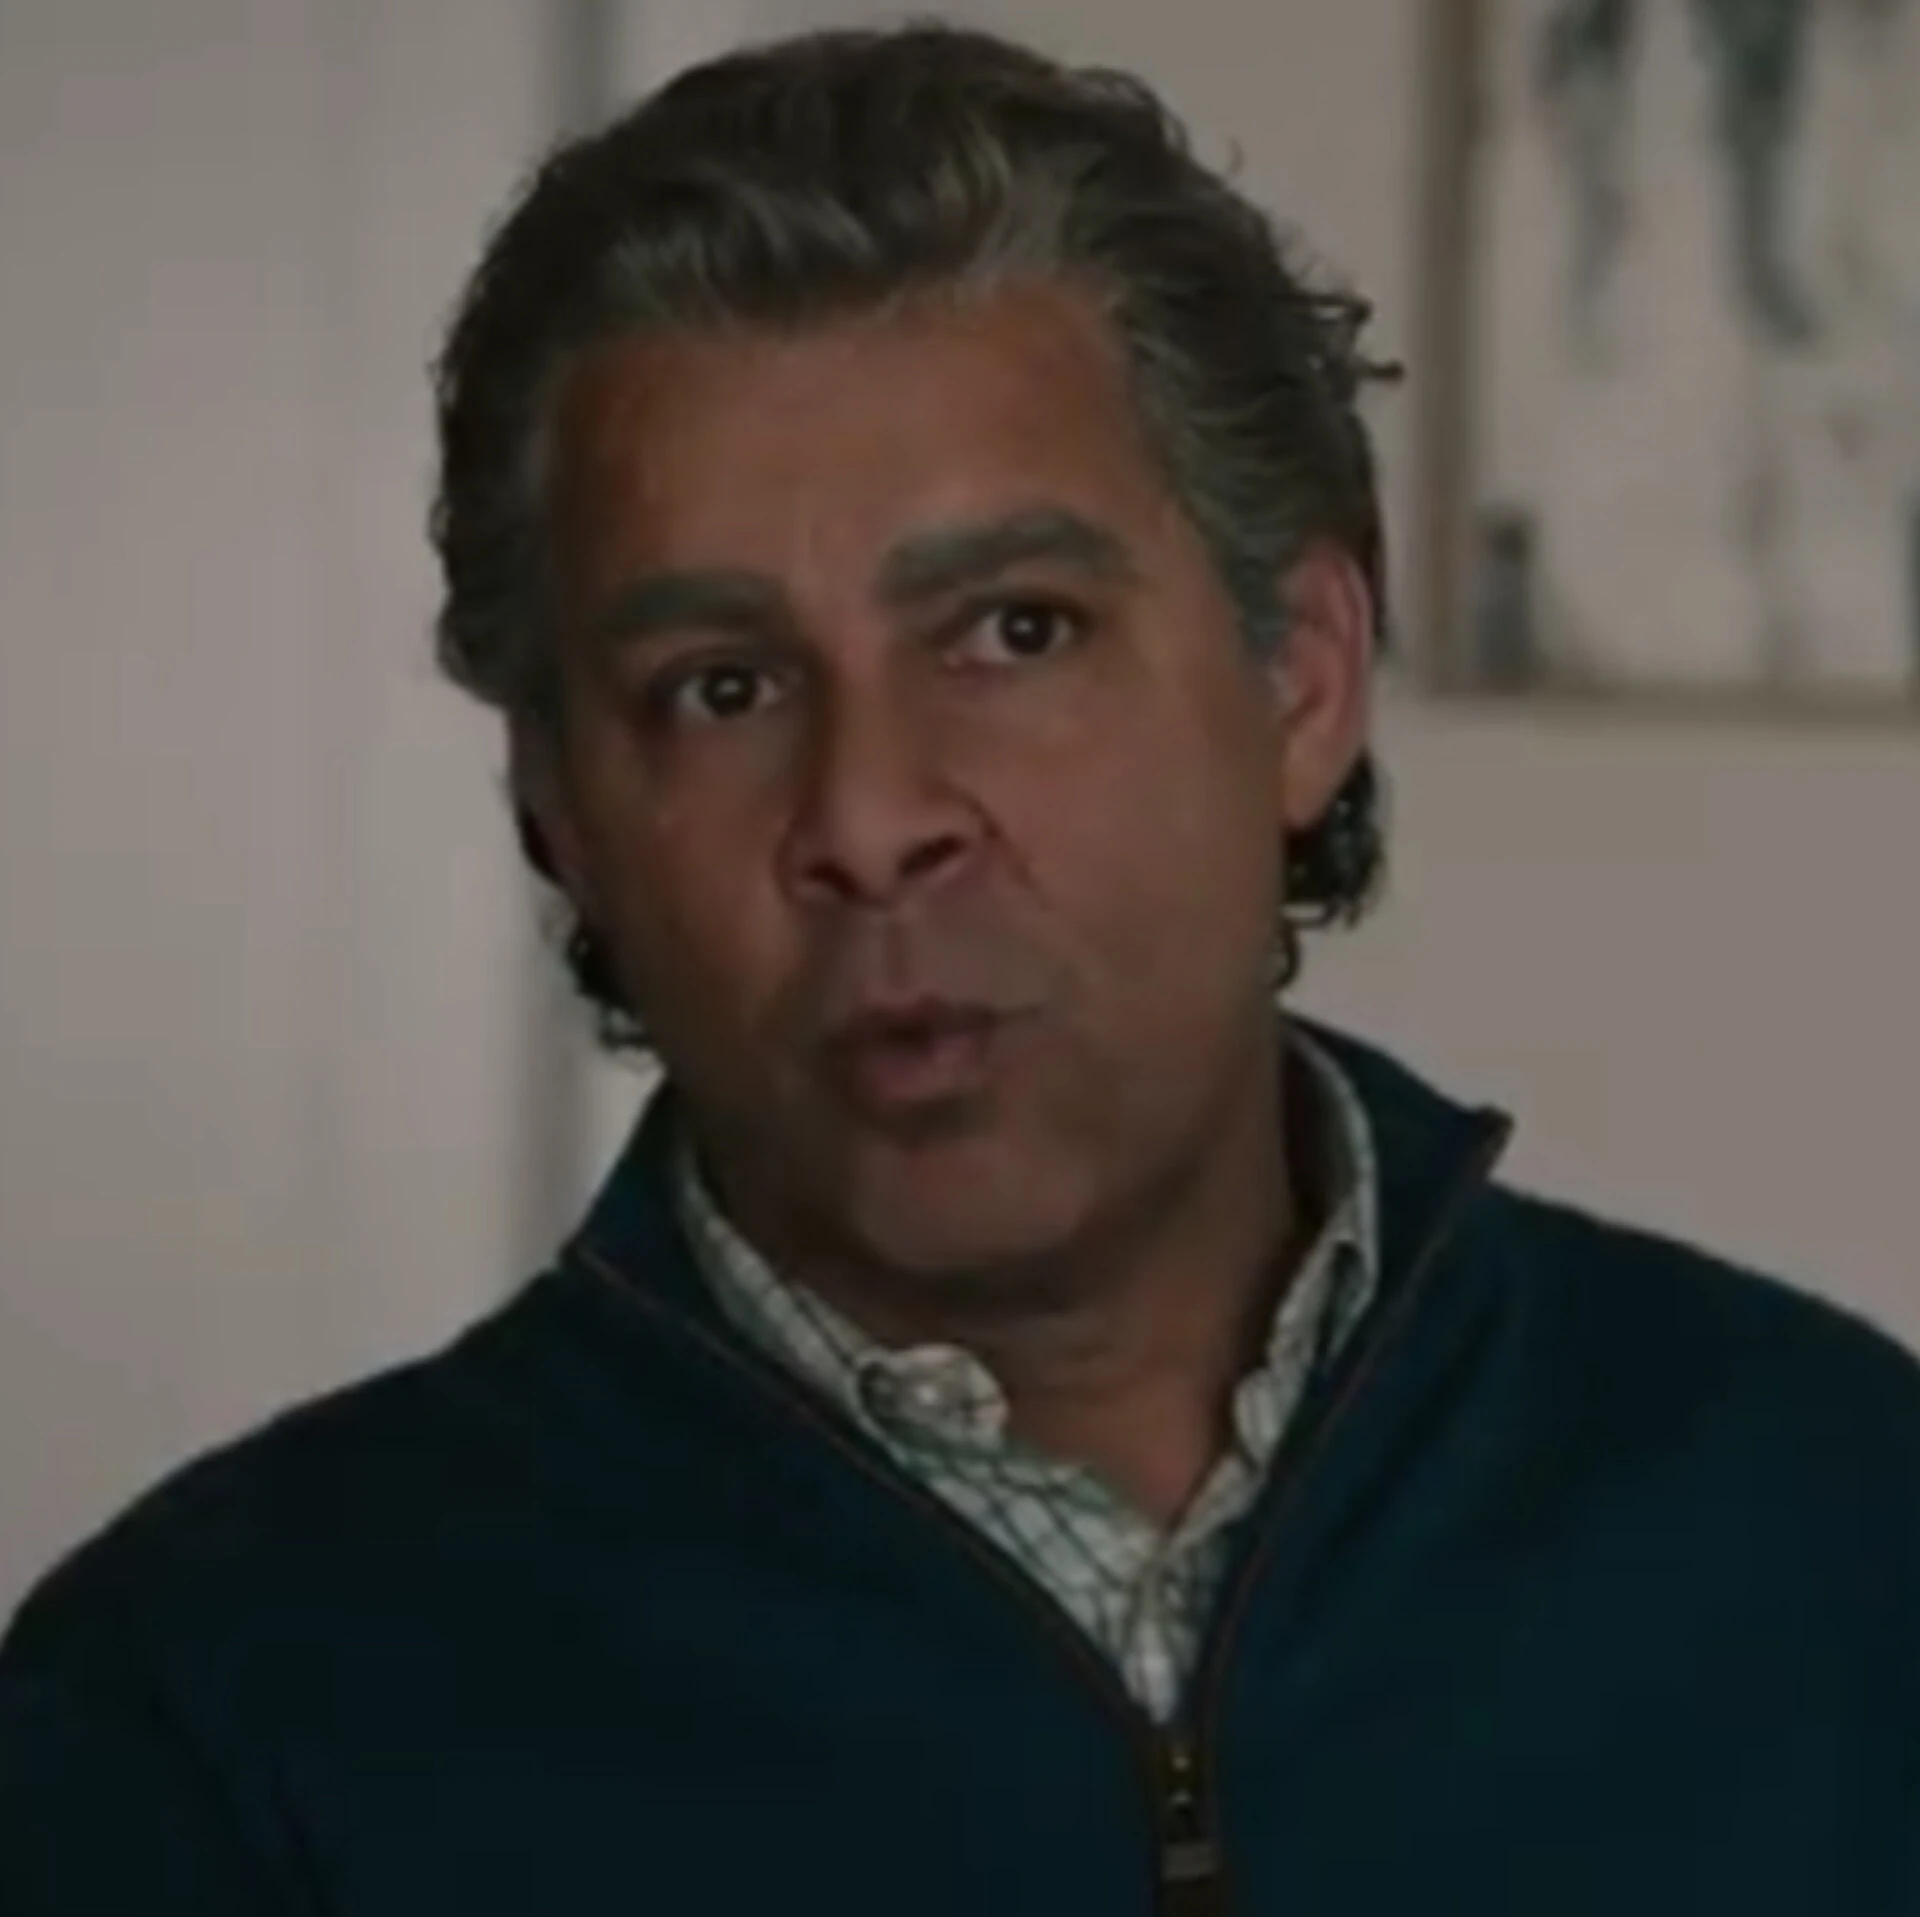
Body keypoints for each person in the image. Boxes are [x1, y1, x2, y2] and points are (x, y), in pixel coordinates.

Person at [2, 22, 1916, 1915]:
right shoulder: (206, 1719)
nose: (869, 815)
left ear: (1302, 682)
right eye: (721, 688)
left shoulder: (1847, 1527)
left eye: (1015, 632)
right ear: (561, 814)